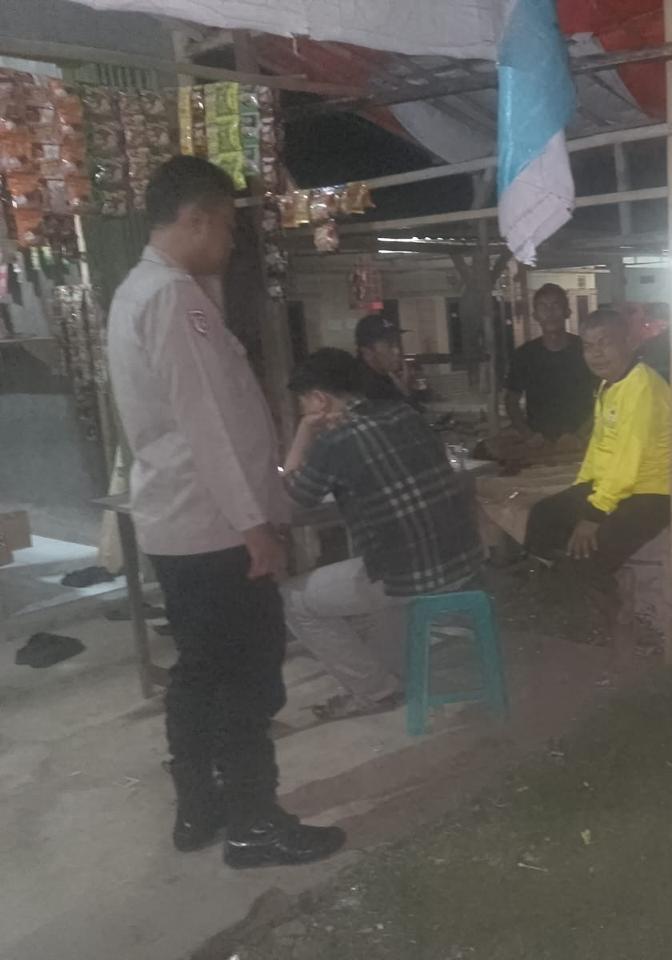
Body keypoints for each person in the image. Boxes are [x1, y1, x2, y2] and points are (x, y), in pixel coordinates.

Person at [106, 156, 344, 868]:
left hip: (183, 523)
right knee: (248, 674)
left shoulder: (137, 291)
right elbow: (207, 425)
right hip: (214, 528)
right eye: (229, 227)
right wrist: (254, 527)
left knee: (201, 671)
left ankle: (201, 807)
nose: (233, 242)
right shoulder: (172, 298)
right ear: (196, 218)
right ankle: (252, 823)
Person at [280, 348, 484, 721]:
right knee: (374, 572)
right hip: (461, 558)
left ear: (319, 399)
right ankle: (391, 674)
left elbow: (293, 497)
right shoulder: (404, 413)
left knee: (290, 599)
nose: (305, 411)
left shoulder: (334, 441)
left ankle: (374, 691)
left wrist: (304, 432)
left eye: (304, 404)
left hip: (409, 575)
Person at [524, 308, 671, 575]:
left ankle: (585, 591)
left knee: (590, 551)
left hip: (650, 492)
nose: (596, 354)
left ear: (629, 343)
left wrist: (594, 514)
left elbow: (627, 459)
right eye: (588, 346)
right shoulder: (608, 385)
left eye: (605, 344)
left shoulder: (642, 387)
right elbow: (599, 444)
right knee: (543, 516)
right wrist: (581, 487)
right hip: (614, 486)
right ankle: (545, 583)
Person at [503, 283, 597, 450]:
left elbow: (605, 396)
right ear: (535, 315)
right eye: (543, 307)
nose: (550, 312)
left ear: (567, 312)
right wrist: (528, 435)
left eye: (556, 305)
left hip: (583, 443)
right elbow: (511, 401)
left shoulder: (585, 349)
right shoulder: (525, 355)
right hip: (539, 444)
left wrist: (581, 435)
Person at [354, 311, 426, 409]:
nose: (397, 351)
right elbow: (411, 417)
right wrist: (404, 392)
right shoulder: (367, 387)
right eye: (389, 345)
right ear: (368, 352)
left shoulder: (385, 376)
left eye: (396, 342)